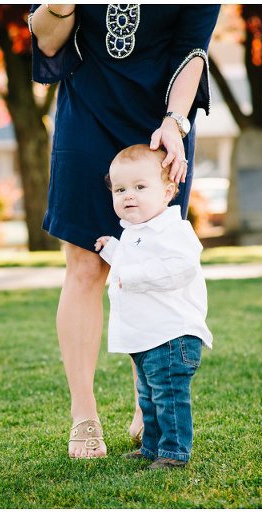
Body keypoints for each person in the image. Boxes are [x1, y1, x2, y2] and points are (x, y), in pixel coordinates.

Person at [28, 4, 220, 458]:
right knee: (86, 266)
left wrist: (174, 122)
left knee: (151, 256)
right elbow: (49, 41)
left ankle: (146, 405)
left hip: (162, 121)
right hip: (88, 112)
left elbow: (192, 50)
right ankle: (84, 414)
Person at [94, 144, 212, 469]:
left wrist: (129, 274)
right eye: (120, 189)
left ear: (168, 191)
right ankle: (151, 446)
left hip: (172, 335)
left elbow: (179, 268)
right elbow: (133, 263)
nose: (128, 195)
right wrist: (113, 251)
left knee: (169, 396)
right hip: (146, 336)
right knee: (147, 396)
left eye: (140, 187)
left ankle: (173, 453)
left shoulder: (174, 230)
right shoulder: (134, 232)